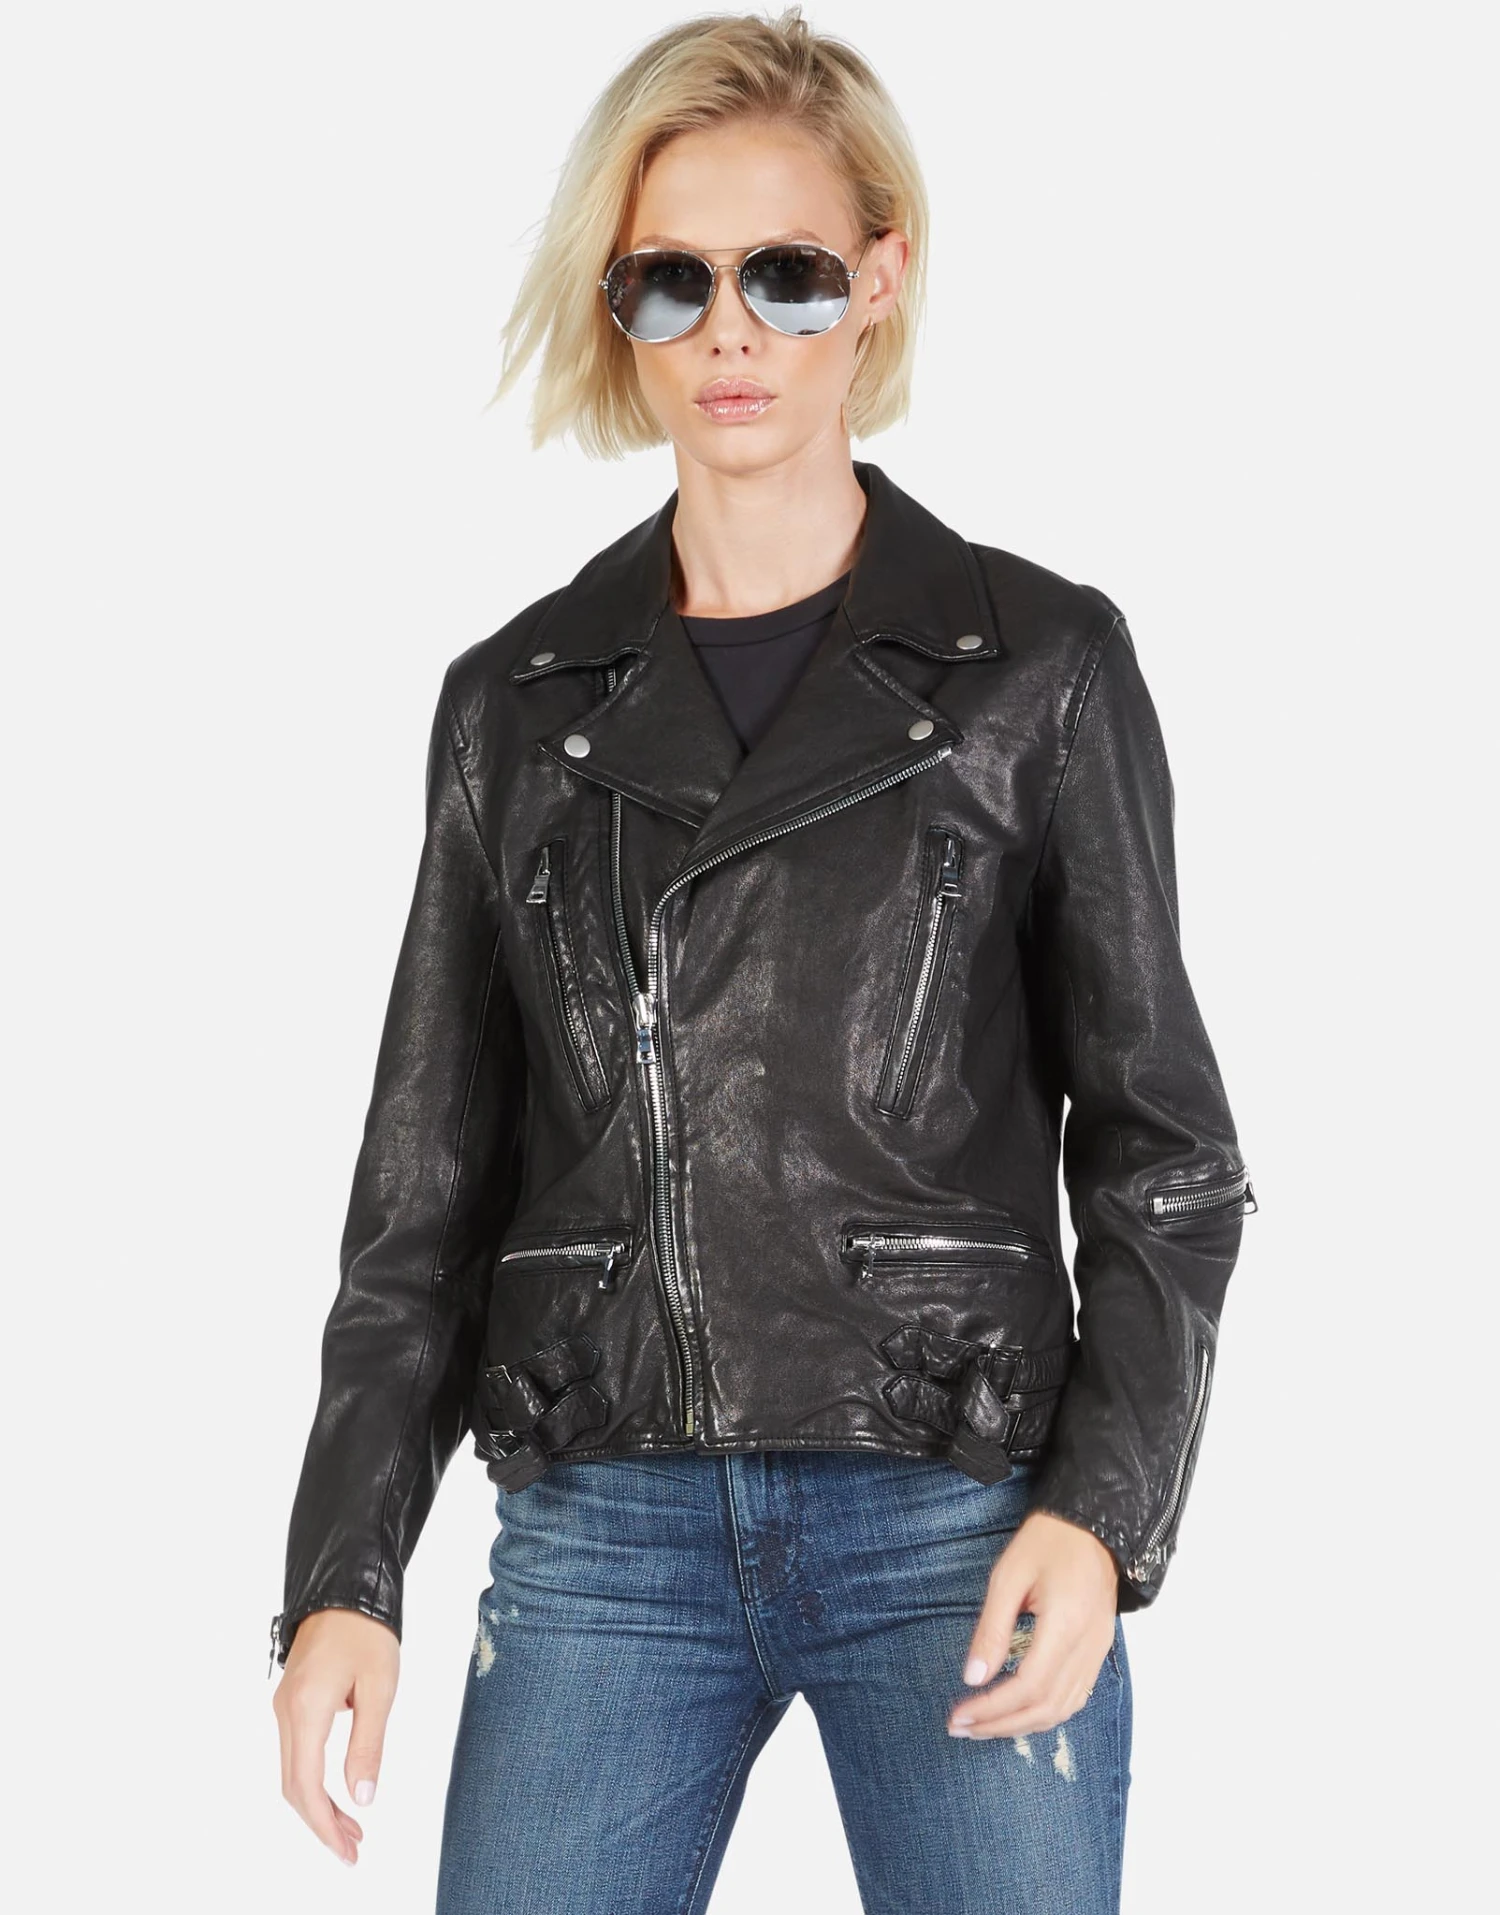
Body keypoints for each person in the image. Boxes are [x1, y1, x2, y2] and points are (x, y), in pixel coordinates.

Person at [270, 11, 1254, 1911]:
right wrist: (343, 1573)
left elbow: (1166, 1153)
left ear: (879, 279)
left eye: (787, 274)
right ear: (620, 306)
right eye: (674, 280)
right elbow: (420, 1198)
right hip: (604, 1519)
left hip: (954, 1502)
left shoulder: (1036, 670)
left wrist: (1101, 1507)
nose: (731, 331)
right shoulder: (515, 705)